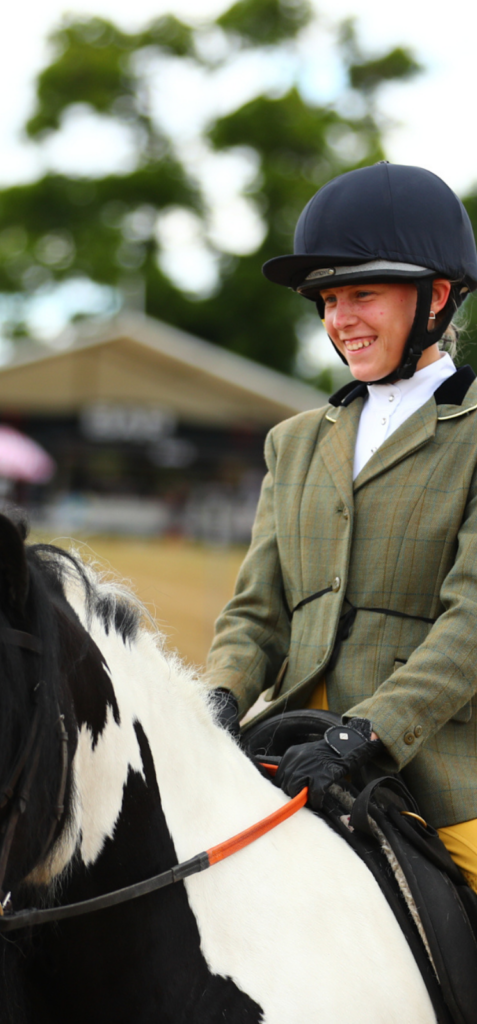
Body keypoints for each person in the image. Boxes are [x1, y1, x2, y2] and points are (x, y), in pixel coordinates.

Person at [206, 162, 477, 892]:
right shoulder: (292, 442)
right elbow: (257, 611)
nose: (339, 320)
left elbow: (469, 626)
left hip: (436, 768)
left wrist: (371, 729)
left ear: (437, 296)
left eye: (362, 293)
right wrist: (221, 695)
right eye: (327, 299)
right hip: (285, 741)